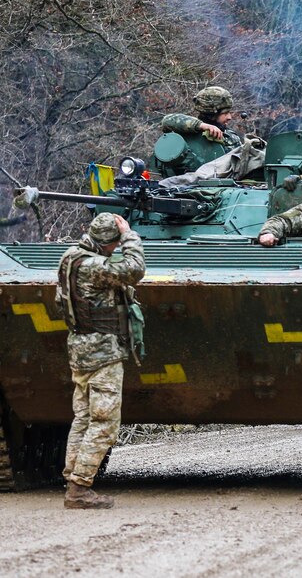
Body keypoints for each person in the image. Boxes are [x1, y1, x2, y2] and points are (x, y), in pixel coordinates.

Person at [56, 213, 145, 509]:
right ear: (109, 243)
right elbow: (134, 269)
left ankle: (73, 479)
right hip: (103, 352)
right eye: (114, 244)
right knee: (104, 422)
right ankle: (80, 489)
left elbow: (60, 302)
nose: (114, 248)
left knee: (83, 418)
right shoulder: (94, 266)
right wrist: (130, 235)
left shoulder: (70, 257)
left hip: (80, 348)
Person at [161, 85, 243, 150]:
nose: (229, 117)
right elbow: (166, 121)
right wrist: (203, 126)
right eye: (225, 113)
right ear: (211, 114)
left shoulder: (231, 138)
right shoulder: (187, 129)